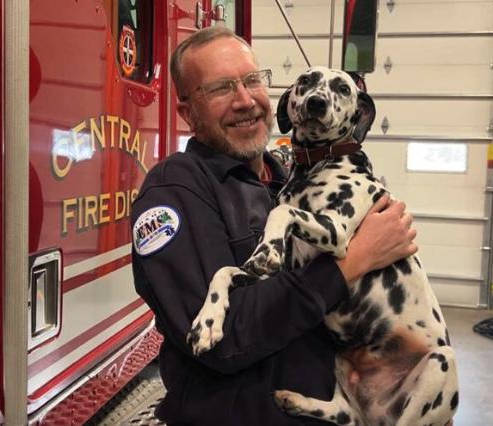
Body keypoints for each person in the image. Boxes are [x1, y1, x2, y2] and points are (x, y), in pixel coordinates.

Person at [131, 26, 417, 426]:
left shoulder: (290, 180)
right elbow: (223, 342)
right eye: (220, 89)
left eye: (251, 81)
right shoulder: (175, 191)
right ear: (187, 114)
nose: (245, 101)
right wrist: (353, 261)